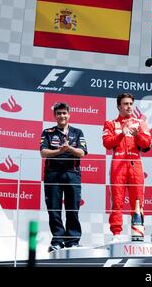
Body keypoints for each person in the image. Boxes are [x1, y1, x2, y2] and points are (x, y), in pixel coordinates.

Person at [103, 93, 151, 242]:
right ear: (119, 106)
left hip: (135, 163)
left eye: (130, 103)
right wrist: (120, 135)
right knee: (117, 200)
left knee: (137, 200)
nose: (129, 106)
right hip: (118, 164)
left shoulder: (140, 123)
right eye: (125, 104)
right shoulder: (110, 123)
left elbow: (146, 144)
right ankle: (116, 234)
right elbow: (107, 143)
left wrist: (137, 136)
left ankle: (137, 231)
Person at [40, 102, 87, 252]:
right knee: (54, 209)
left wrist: (69, 148)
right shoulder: (47, 132)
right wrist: (60, 151)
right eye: (59, 113)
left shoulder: (77, 132)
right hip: (52, 174)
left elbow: (82, 152)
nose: (62, 116)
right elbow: (43, 152)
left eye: (64, 113)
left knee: (72, 208)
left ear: (69, 114)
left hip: (72, 174)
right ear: (55, 116)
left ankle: (72, 240)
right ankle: (58, 240)